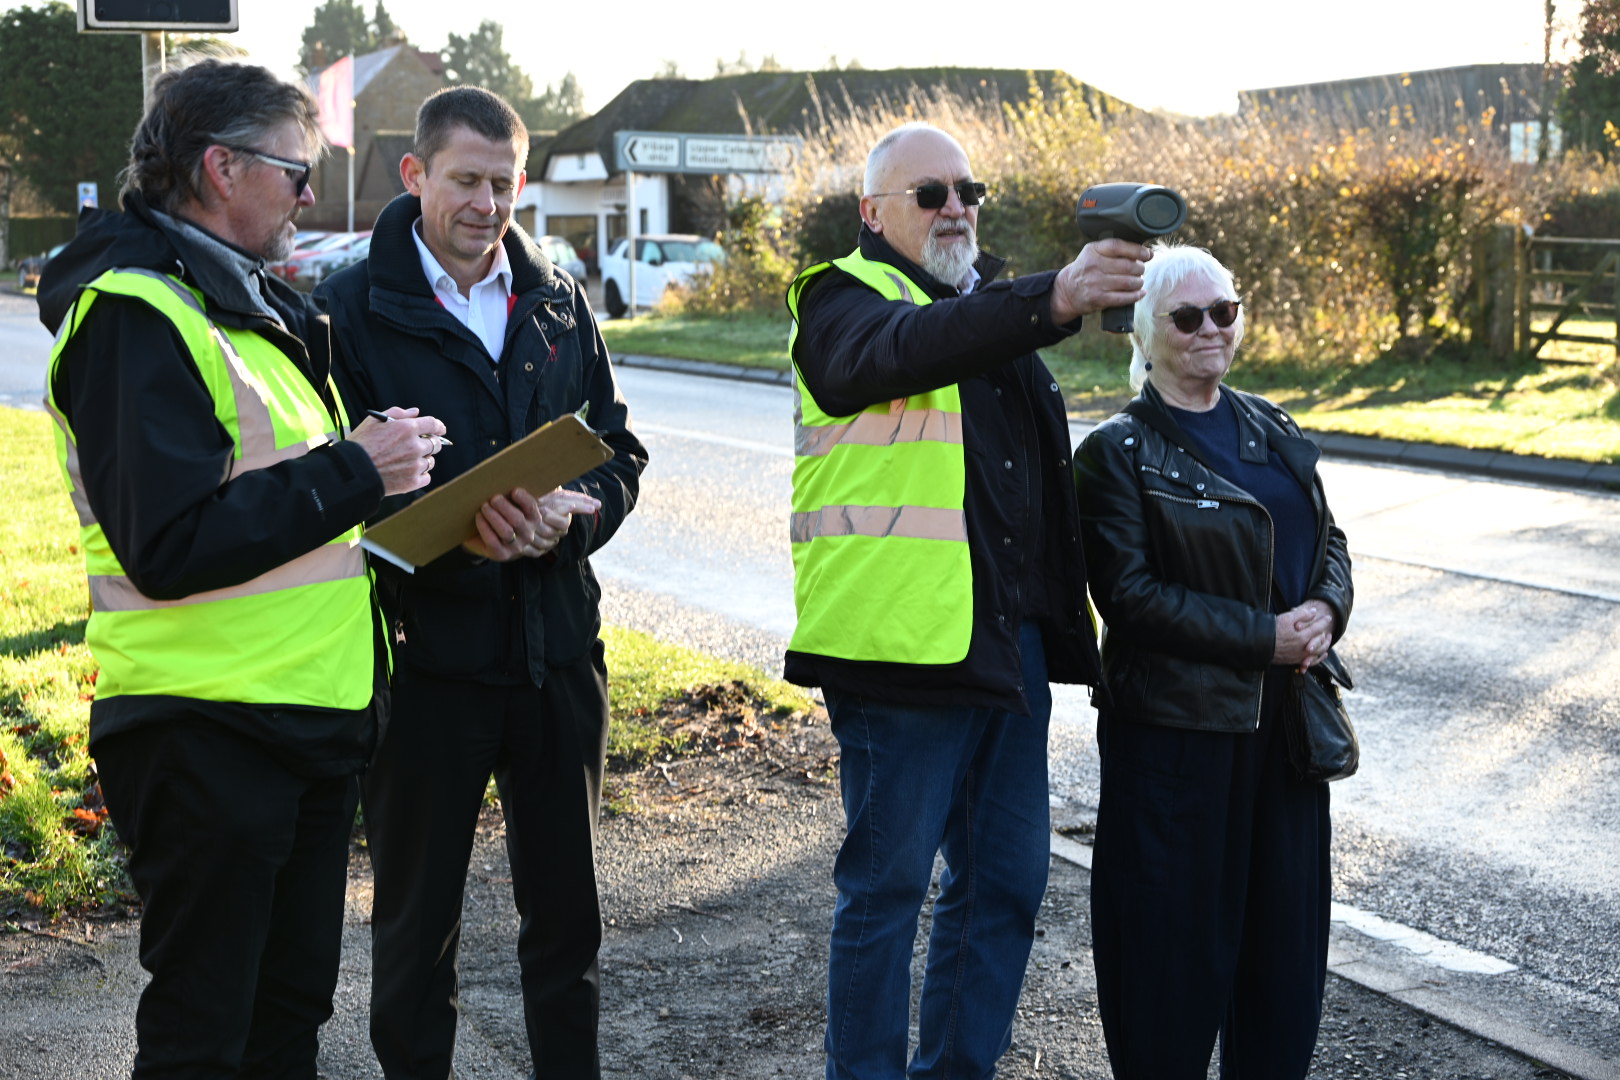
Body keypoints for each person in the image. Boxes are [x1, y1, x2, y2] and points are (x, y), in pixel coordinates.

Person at [37, 58, 445, 1078]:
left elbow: (293, 516)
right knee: (204, 1032)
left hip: (299, 728)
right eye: (294, 173)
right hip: (206, 733)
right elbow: (169, 544)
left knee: (284, 1015)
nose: (310, 195)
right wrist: (357, 469)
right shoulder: (138, 316)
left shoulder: (242, 311)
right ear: (219, 167)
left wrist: (382, 483)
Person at [784, 121, 1152, 1080]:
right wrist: (1057, 294)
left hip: (1007, 646)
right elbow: (905, 351)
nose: (959, 209)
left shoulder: (989, 306)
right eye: (932, 194)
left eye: (970, 191)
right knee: (887, 890)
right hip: (897, 652)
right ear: (874, 213)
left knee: (1006, 886)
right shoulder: (841, 300)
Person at [315, 86, 647, 1080]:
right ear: (414, 175)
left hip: (557, 657)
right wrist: (467, 533)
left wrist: (572, 516)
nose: (487, 203)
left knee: (570, 929)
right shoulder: (344, 310)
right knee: (419, 937)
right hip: (425, 669)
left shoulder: (557, 300)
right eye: (466, 180)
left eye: (504, 183)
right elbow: (327, 489)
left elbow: (616, 449)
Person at [1073, 243, 1355, 1079]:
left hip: (1287, 740)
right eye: (1186, 317)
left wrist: (1326, 610)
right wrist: (1264, 637)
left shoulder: (1272, 426)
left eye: (1223, 312)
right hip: (1175, 744)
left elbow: (1329, 538)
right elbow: (1129, 597)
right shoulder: (1115, 453)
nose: (1208, 331)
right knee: (1169, 968)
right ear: (1146, 332)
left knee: (1284, 964)